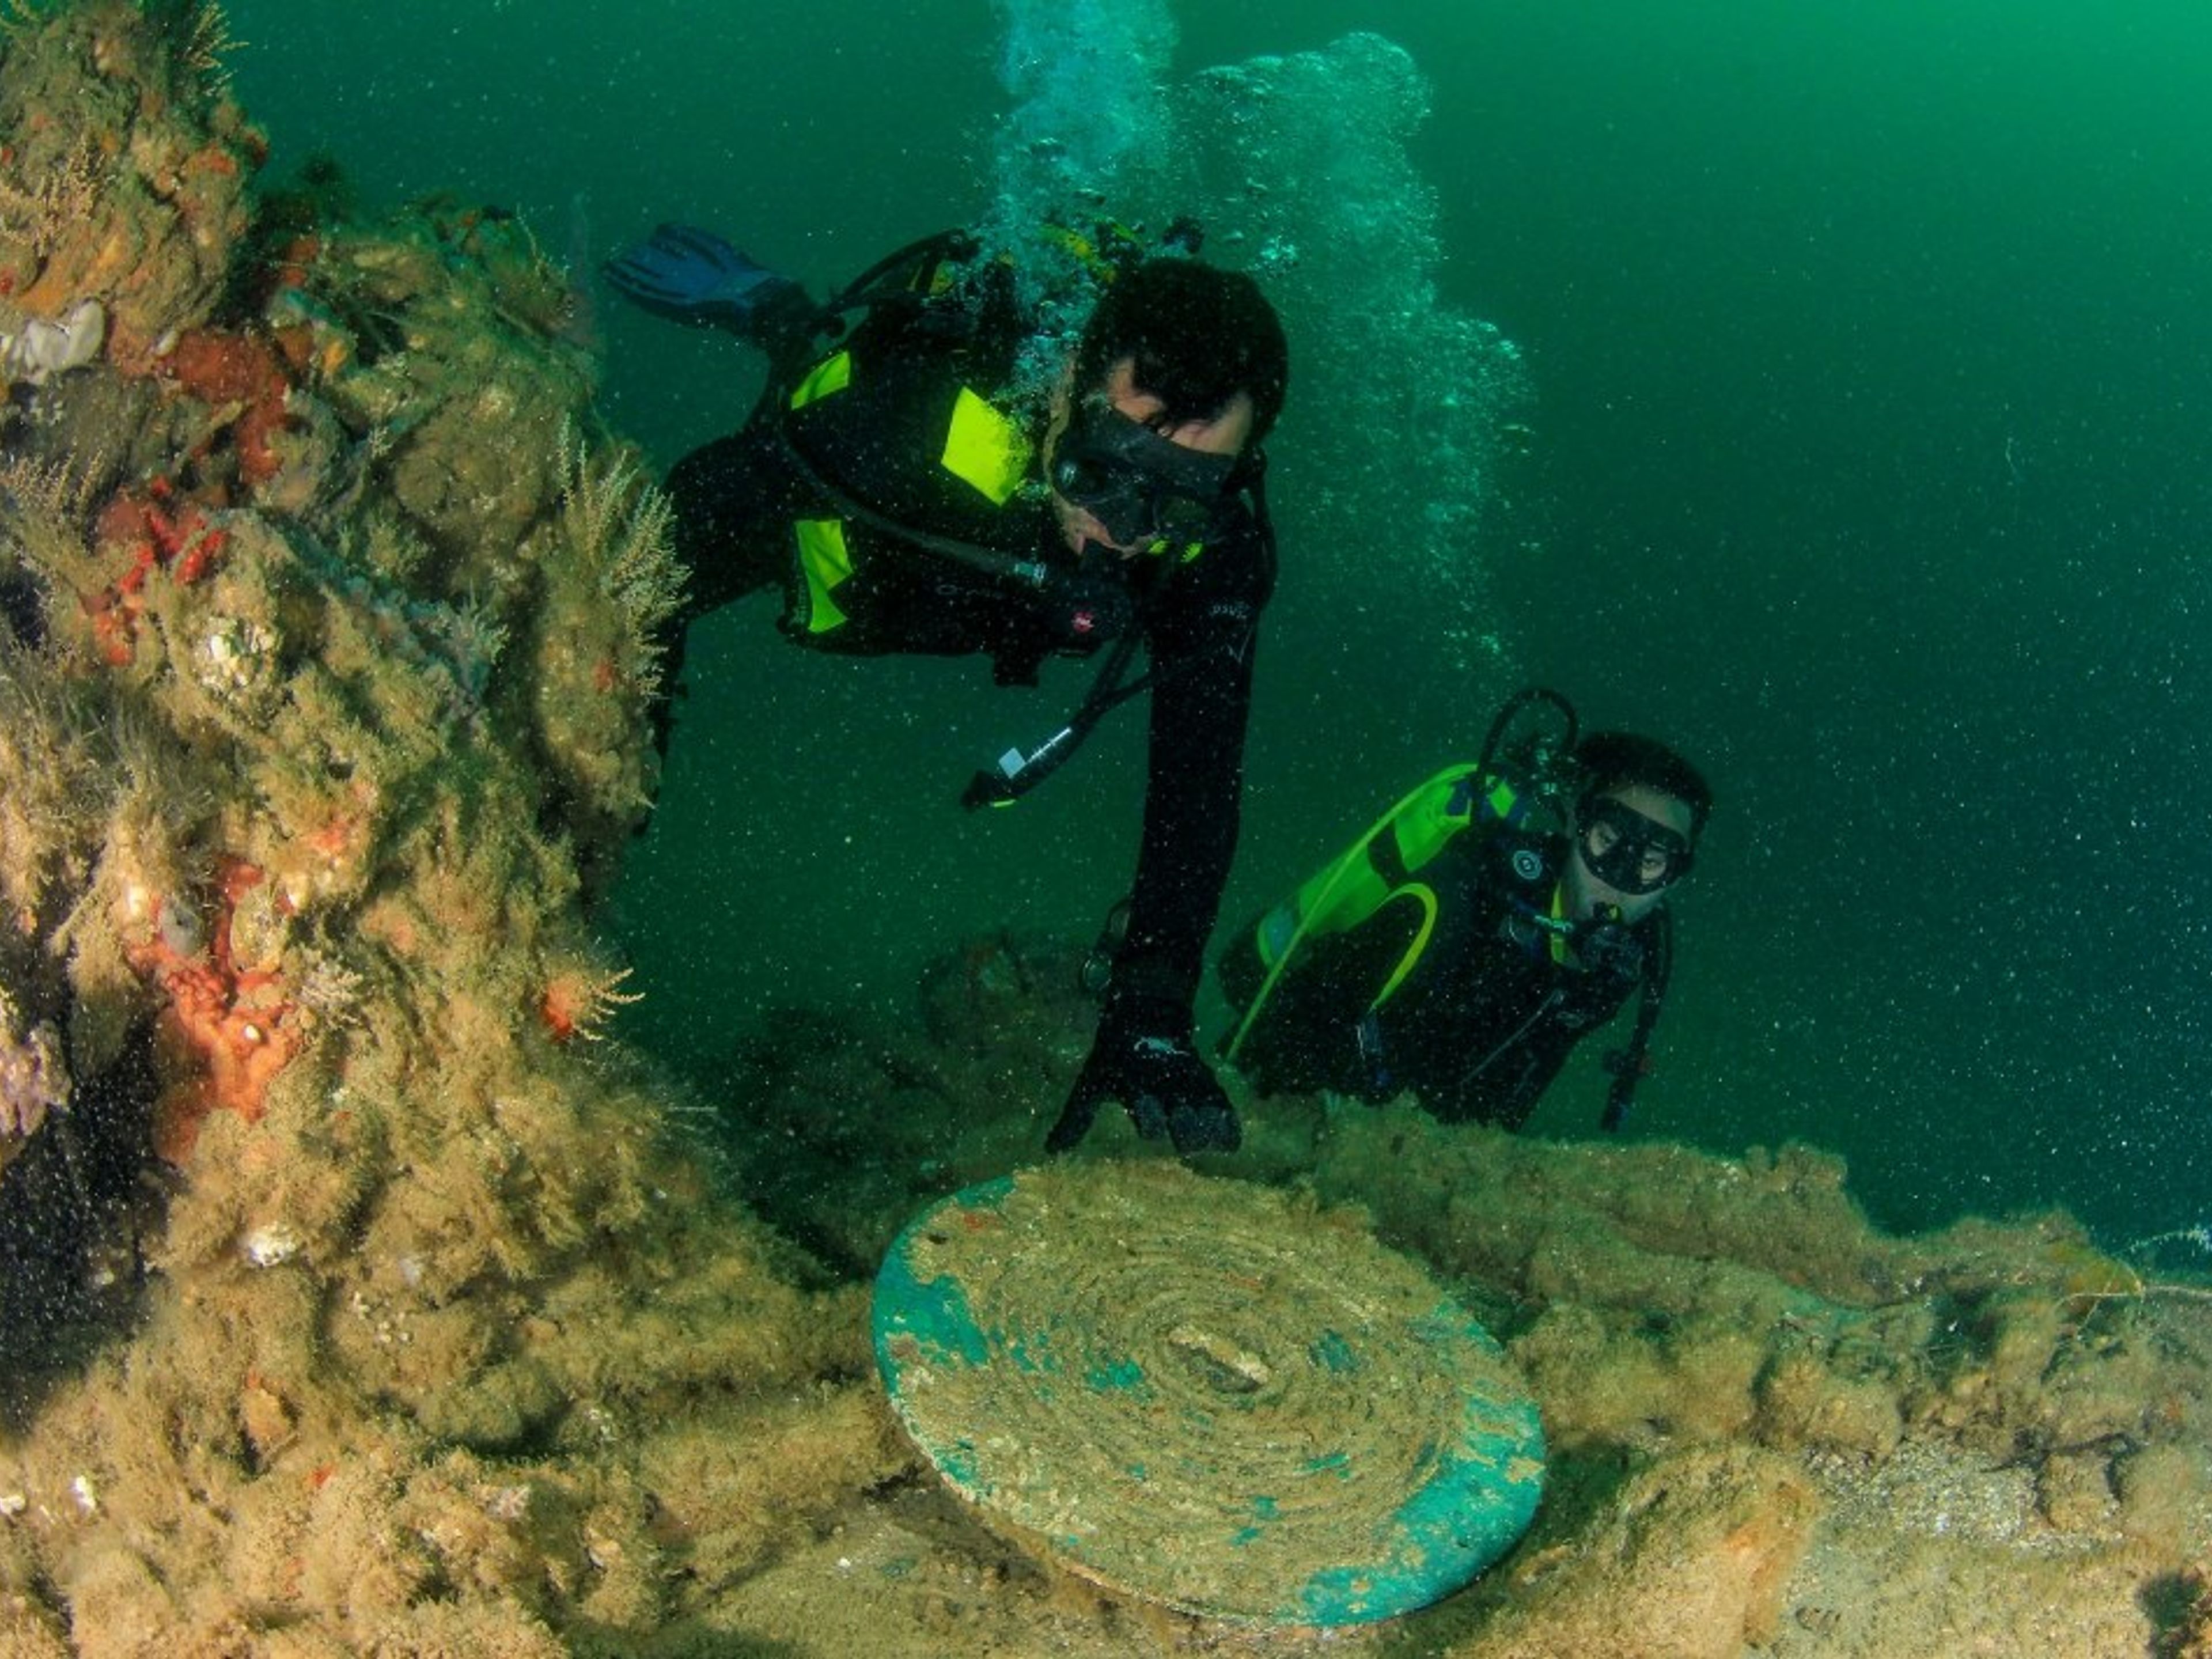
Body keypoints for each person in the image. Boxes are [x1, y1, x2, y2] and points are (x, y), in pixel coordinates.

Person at [603, 222, 1289, 1156]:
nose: (1127, 533)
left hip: (992, 596)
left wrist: (1154, 1009)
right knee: (815, 355)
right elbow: (674, 530)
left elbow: (1199, 784)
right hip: (882, 549)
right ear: (1065, 390)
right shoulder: (896, 424)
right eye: (1106, 471)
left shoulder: (1214, 555)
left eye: (1178, 495)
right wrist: (626, 746)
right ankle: (768, 302)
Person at [1215, 691, 1711, 1132]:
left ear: (1675, 878)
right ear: (1576, 828)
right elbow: (1308, 1017)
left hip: (1419, 1142)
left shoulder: (1628, 962)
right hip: (1292, 1099)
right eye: (1608, 841)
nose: (1618, 881)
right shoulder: (1470, 890)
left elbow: (1530, 1068)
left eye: (1651, 863)